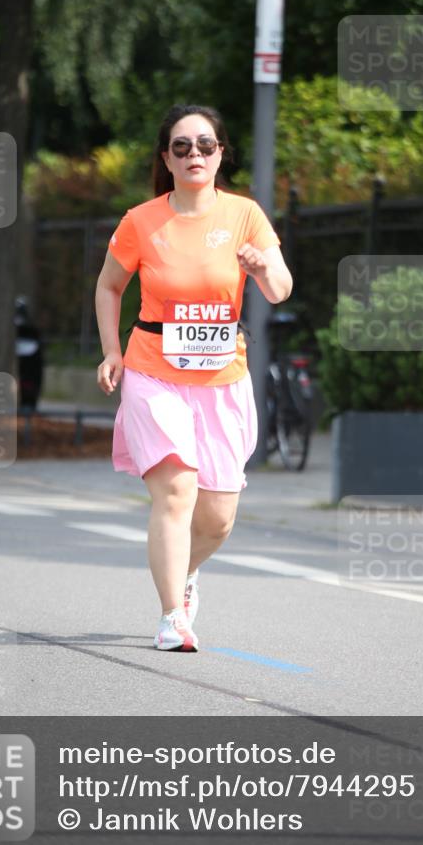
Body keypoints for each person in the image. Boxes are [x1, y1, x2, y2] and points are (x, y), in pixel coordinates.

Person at [95, 104, 293, 653]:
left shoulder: (245, 215)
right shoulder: (141, 221)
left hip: (222, 378)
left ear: (221, 152)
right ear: (166, 158)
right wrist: (112, 351)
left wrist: (261, 268)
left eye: (205, 145)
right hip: (153, 371)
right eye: (181, 147)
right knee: (177, 493)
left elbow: (280, 289)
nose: (194, 155)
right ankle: (170, 618)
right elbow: (109, 286)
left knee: (217, 518)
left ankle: (184, 574)